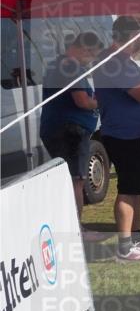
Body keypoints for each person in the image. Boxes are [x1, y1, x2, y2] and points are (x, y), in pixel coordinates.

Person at [92, 16, 140, 262]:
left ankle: (136, 238)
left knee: (137, 188)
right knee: (128, 188)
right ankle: (125, 246)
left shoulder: (121, 61)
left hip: (133, 133)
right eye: (139, 36)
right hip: (123, 134)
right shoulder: (114, 61)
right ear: (130, 36)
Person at [39, 31, 103, 216]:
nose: (91, 60)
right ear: (84, 49)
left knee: (70, 179)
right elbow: (82, 101)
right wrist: (100, 103)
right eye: (92, 54)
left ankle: (72, 226)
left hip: (59, 128)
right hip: (70, 131)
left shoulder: (57, 65)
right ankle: (76, 229)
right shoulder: (70, 67)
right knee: (76, 180)